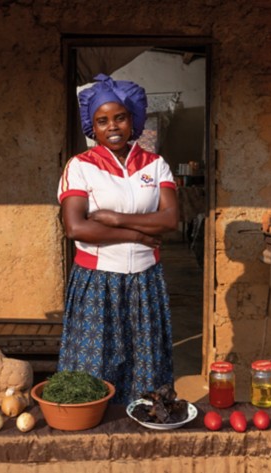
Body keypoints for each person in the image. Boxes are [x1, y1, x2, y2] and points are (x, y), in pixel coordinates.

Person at [56, 74, 180, 404]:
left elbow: (170, 219)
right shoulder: (80, 167)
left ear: (133, 120)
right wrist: (138, 233)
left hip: (145, 282)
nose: (112, 127)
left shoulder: (155, 166)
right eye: (102, 120)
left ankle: (142, 434)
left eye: (120, 117)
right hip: (97, 283)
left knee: (146, 367)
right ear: (92, 127)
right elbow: (76, 228)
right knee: (93, 371)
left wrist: (114, 218)